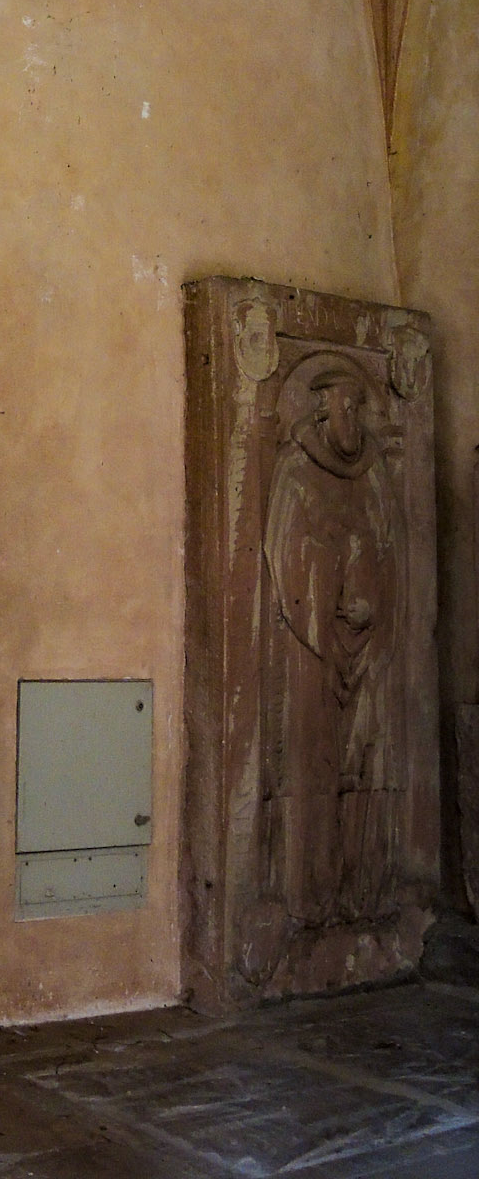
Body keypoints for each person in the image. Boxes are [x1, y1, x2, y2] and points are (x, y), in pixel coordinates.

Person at [262, 357, 405, 930]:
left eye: (360, 406)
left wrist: (374, 604)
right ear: (323, 411)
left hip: (367, 650)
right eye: (348, 406)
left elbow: (392, 554)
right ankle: (305, 898)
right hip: (311, 649)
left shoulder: (374, 474)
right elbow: (285, 555)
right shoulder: (295, 472)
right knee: (308, 766)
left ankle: (363, 896)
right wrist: (333, 592)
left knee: (366, 765)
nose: (355, 417)